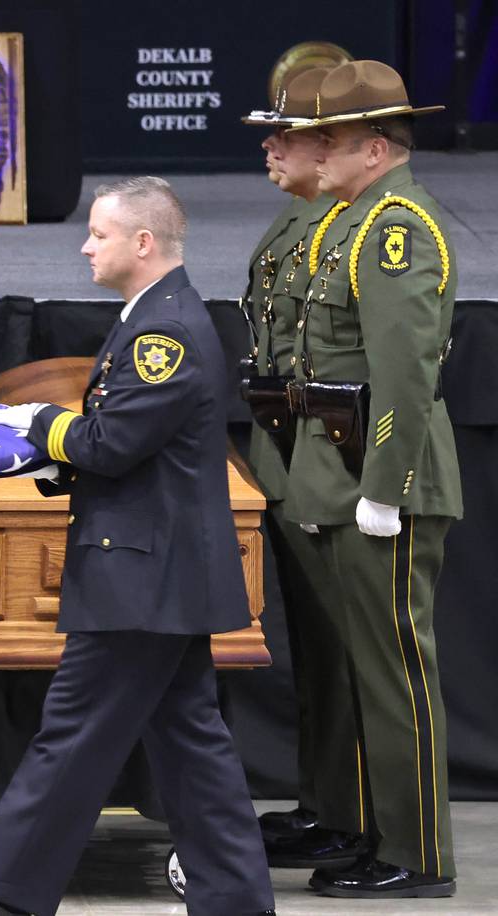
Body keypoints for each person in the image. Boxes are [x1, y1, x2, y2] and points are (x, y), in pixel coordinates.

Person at [0, 177, 276, 916]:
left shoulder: (163, 332)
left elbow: (113, 444)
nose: (84, 246)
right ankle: (235, 901)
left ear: (143, 243)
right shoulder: (154, 317)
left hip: (140, 581)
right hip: (160, 576)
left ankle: (2, 898)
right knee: (192, 747)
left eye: (98, 234)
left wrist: (38, 424)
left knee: (69, 741)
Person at [284, 60, 461, 898]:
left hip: (386, 476)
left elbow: (403, 373)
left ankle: (418, 853)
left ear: (375, 147)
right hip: (349, 473)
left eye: (330, 140)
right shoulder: (352, 221)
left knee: (395, 673)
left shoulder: (397, 226)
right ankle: (376, 833)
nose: (315, 153)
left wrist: (384, 487)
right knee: (365, 672)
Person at [240, 69, 365, 867]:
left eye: (285, 133)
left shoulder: (356, 224)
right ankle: (324, 803)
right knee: (317, 649)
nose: (270, 145)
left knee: (352, 652)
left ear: (329, 145)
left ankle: (354, 813)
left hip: (331, 455)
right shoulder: (302, 218)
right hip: (286, 450)